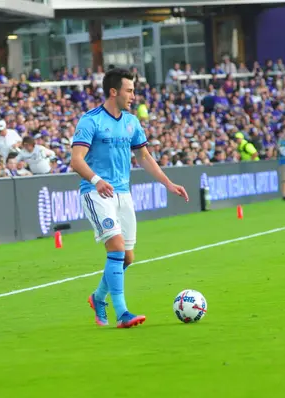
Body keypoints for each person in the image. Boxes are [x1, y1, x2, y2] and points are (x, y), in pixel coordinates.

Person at [70, 68, 189, 329]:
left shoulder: (131, 122)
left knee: (128, 257)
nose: (133, 96)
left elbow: (144, 157)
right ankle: (122, 312)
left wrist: (168, 183)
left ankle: (98, 297)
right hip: (96, 192)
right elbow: (76, 160)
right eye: (130, 90)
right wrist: (96, 181)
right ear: (114, 92)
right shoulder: (90, 121)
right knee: (116, 248)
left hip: (123, 193)